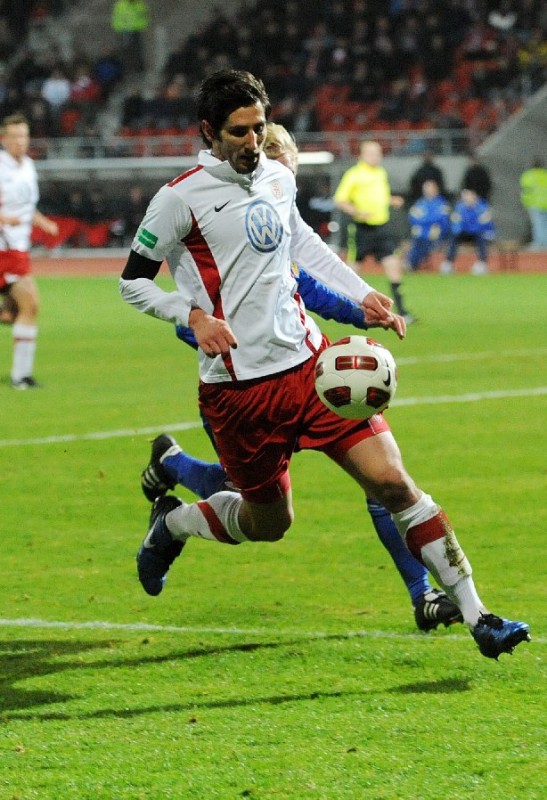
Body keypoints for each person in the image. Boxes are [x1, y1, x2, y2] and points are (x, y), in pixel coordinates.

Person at [119, 69, 529, 660]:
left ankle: (479, 615)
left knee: (393, 483)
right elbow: (132, 282)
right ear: (209, 131)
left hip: (312, 371)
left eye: (259, 127)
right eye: (239, 132)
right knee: (270, 523)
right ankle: (174, 524)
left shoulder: (276, 177)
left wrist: (363, 294)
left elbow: (304, 245)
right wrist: (190, 315)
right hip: (238, 392)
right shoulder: (178, 200)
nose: (253, 142)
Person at [140, 121, 462, 633]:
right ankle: (172, 472)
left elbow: (313, 289)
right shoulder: (222, 235)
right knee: (248, 503)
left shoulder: (279, 238)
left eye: (287, 176)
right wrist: (222, 332)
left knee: (382, 480)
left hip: (305, 377)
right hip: (243, 393)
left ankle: (422, 593)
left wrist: (365, 310)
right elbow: (184, 315)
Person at [0, 112, 58, 388]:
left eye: (24, 136)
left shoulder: (28, 167)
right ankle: (20, 376)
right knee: (30, 304)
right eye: (14, 136)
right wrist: (4, 218)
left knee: (16, 311)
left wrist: (43, 223)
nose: (20, 141)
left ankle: (21, 375)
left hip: (19, 248)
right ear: (3, 139)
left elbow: (26, 207)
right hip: (4, 249)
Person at [333, 139, 415, 324]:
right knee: (352, 270)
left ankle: (402, 311)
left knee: (393, 265)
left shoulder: (380, 173)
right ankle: (344, 306)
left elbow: (380, 196)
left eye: (378, 153)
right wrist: (358, 212)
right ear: (362, 155)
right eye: (371, 153)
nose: (375, 157)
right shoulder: (354, 174)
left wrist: (391, 200)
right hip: (361, 228)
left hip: (382, 227)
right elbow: (340, 200)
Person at [440, 188, 495, 275]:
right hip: (464, 233)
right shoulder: (459, 207)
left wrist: (468, 225)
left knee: (481, 237)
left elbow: (484, 224)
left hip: (477, 233)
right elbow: (456, 223)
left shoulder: (483, 207)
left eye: (468, 195)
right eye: (465, 196)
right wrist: (464, 227)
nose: (466, 198)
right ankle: (448, 263)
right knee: (454, 237)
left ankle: (482, 263)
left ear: (474, 196)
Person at [406, 179, 451, 272]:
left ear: (436, 189)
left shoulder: (442, 203)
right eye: (426, 188)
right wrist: (428, 220)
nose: (427, 190)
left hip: (436, 232)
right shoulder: (420, 203)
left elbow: (442, 219)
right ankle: (411, 263)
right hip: (421, 232)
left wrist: (424, 219)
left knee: (425, 242)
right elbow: (413, 218)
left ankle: (413, 264)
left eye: (430, 188)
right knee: (417, 241)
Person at [111, 0, 150, 74]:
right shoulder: (120, 4)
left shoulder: (139, 4)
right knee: (125, 50)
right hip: (123, 30)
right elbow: (116, 17)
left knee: (137, 50)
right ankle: (125, 67)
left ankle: (138, 67)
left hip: (136, 29)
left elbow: (144, 16)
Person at [520, 157, 547, 250]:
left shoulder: (528, 176)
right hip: (545, 203)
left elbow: (526, 191)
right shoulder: (545, 174)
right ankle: (545, 242)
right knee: (545, 224)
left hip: (535, 203)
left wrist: (525, 202)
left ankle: (539, 243)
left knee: (537, 224)